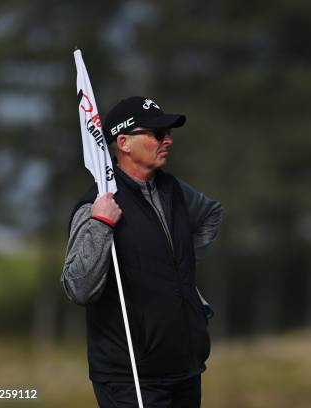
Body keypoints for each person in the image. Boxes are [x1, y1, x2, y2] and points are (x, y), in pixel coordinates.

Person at [61, 96, 223, 407]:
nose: (169, 141)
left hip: (184, 369)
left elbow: (211, 214)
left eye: (169, 133)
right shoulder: (95, 203)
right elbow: (77, 287)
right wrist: (101, 223)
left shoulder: (172, 189)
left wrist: (179, 269)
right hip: (130, 377)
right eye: (158, 133)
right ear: (123, 142)